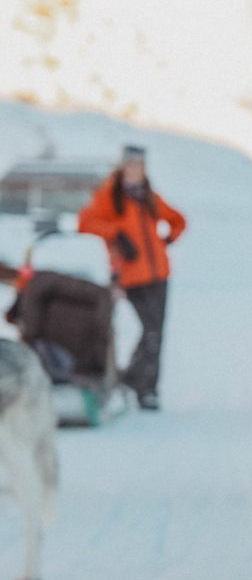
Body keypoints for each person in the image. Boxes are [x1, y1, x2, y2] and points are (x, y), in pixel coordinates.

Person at [77, 145, 185, 410]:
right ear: (123, 166)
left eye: (141, 165)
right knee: (148, 330)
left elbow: (178, 220)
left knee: (156, 332)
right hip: (130, 275)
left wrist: (166, 240)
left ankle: (146, 388)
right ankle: (134, 380)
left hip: (159, 274)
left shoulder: (148, 197)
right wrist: (115, 233)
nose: (136, 169)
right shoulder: (110, 195)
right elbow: (85, 222)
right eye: (132, 164)